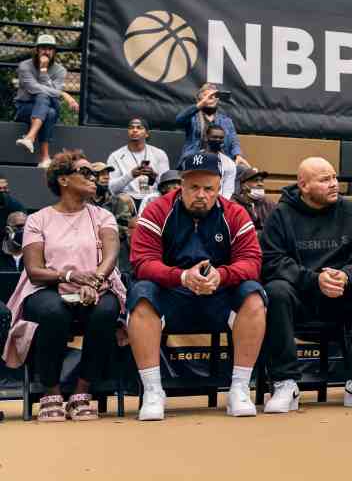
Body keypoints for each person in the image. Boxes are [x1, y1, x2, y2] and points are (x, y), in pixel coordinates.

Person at [126, 152, 266, 420]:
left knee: (253, 296)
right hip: (172, 296)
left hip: (219, 297)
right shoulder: (157, 210)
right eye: (193, 187)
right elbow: (142, 262)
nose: (200, 194)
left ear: (219, 187)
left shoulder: (235, 213)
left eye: (208, 188)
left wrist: (222, 275)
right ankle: (154, 391)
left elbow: (252, 262)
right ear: (181, 184)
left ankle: (239, 389)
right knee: (141, 294)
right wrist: (181, 276)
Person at [260, 158, 352, 413]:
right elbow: (273, 262)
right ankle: (285, 383)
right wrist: (314, 280)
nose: (334, 184)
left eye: (334, 177)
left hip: (344, 295)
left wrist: (346, 276)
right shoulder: (281, 215)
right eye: (324, 180)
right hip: (302, 299)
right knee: (276, 290)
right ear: (303, 185)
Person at [3, 151, 124, 421]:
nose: (93, 178)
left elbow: (111, 255)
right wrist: (70, 278)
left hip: (98, 285)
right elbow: (34, 271)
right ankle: (51, 391)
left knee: (104, 312)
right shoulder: (38, 219)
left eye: (94, 174)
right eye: (85, 173)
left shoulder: (103, 216)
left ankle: (83, 392)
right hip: (47, 287)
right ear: (64, 180)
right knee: (53, 312)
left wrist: (95, 281)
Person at [14, 34, 78, 167]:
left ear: (54, 52)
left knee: (45, 98)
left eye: (50, 49)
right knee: (49, 112)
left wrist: (43, 71)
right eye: (43, 48)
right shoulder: (24, 66)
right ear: (37, 50)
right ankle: (44, 158)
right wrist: (63, 94)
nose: (46, 51)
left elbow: (52, 95)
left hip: (51, 104)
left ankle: (29, 137)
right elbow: (33, 88)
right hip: (25, 108)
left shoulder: (60, 70)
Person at [106, 117, 171, 208]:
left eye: (139, 128)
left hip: (152, 196)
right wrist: (131, 175)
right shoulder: (115, 156)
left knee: (155, 199)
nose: (134, 130)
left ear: (147, 134)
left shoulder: (159, 154)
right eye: (131, 128)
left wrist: (154, 175)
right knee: (121, 200)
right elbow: (112, 188)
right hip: (128, 198)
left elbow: (168, 185)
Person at [176, 83, 247, 165]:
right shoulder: (192, 118)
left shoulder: (226, 121)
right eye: (206, 95)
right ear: (199, 99)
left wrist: (238, 155)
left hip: (220, 160)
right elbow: (179, 120)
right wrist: (202, 103)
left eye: (214, 95)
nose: (211, 97)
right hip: (196, 160)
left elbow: (234, 141)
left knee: (247, 171)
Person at [92, 164, 137, 276]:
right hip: (89, 253)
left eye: (107, 174)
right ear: (92, 177)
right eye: (101, 174)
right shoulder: (84, 203)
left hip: (116, 254)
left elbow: (121, 231)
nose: (106, 177)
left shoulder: (118, 201)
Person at [233, 165, 276, 232]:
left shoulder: (269, 204)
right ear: (244, 186)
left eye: (261, 180)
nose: (260, 184)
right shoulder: (234, 206)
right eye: (255, 180)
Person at [200, 124, 237, 199]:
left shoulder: (229, 163)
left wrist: (221, 204)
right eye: (214, 137)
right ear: (206, 137)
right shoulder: (195, 158)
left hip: (218, 202)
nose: (218, 140)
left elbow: (228, 190)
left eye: (221, 138)